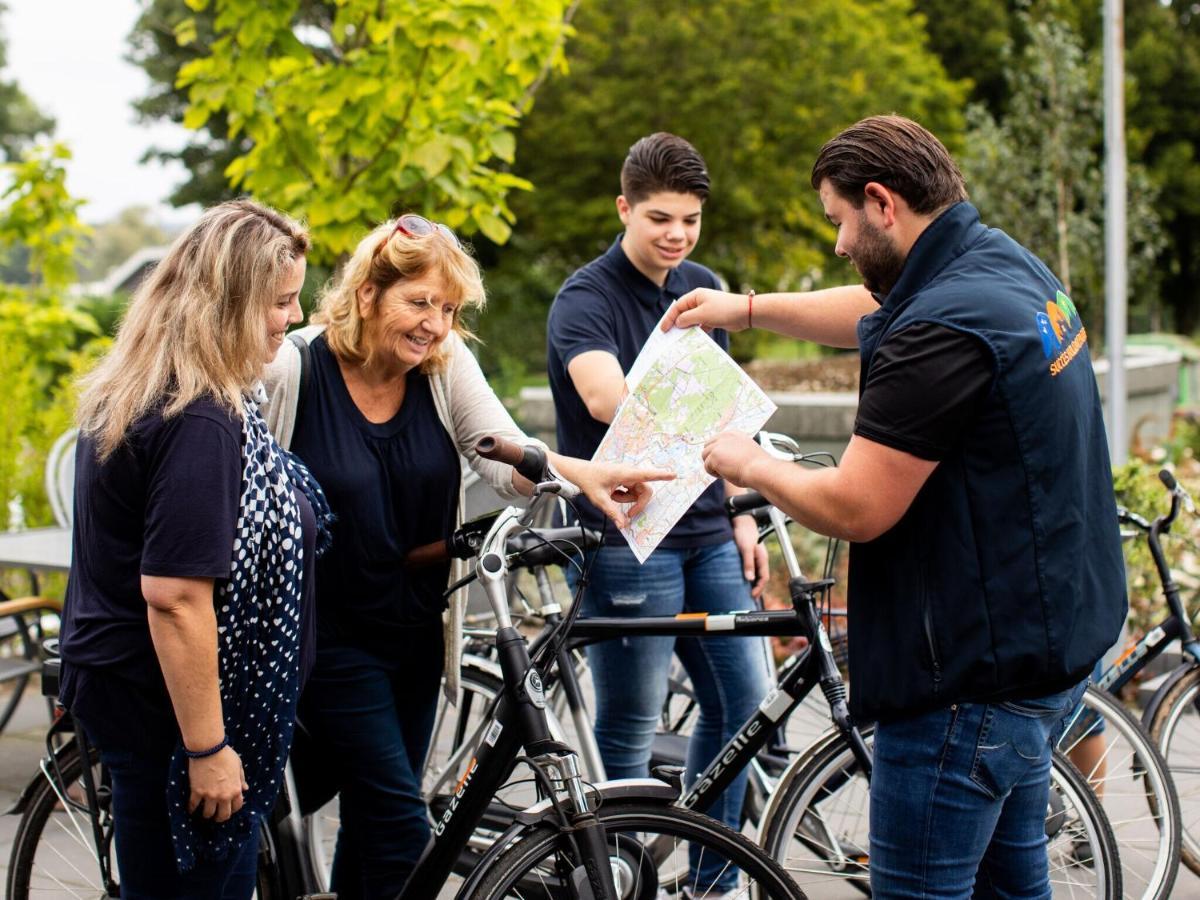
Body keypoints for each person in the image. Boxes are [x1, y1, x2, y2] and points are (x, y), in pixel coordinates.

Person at [661, 115, 1127, 896]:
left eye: (839, 221)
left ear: (881, 203)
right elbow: (875, 307)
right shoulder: (1002, 267)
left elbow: (855, 505)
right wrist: (741, 310)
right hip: (1046, 655)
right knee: (1013, 889)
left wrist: (744, 459)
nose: (838, 243)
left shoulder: (941, 328)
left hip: (966, 690)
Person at [260, 213, 672, 899]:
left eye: (448, 309)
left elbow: (505, 457)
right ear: (367, 295)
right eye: (419, 302)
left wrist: (582, 477)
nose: (435, 324)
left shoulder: (443, 367)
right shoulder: (292, 369)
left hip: (415, 636)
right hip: (323, 639)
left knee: (372, 832)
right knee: (400, 828)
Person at [58, 199, 330, 898]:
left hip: (130, 691)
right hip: (166, 715)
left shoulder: (153, 386)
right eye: (280, 301)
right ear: (232, 303)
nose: (294, 318)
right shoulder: (198, 417)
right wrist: (207, 749)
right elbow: (176, 597)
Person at [545, 132, 772, 892]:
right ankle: (621, 879)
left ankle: (712, 879)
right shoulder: (587, 297)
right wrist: (701, 394)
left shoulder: (700, 284)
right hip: (626, 538)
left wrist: (743, 510)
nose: (677, 236)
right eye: (660, 219)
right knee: (632, 727)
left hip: (707, 530)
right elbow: (606, 400)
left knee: (742, 705)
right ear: (624, 209)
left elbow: (730, 420)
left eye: (690, 220)